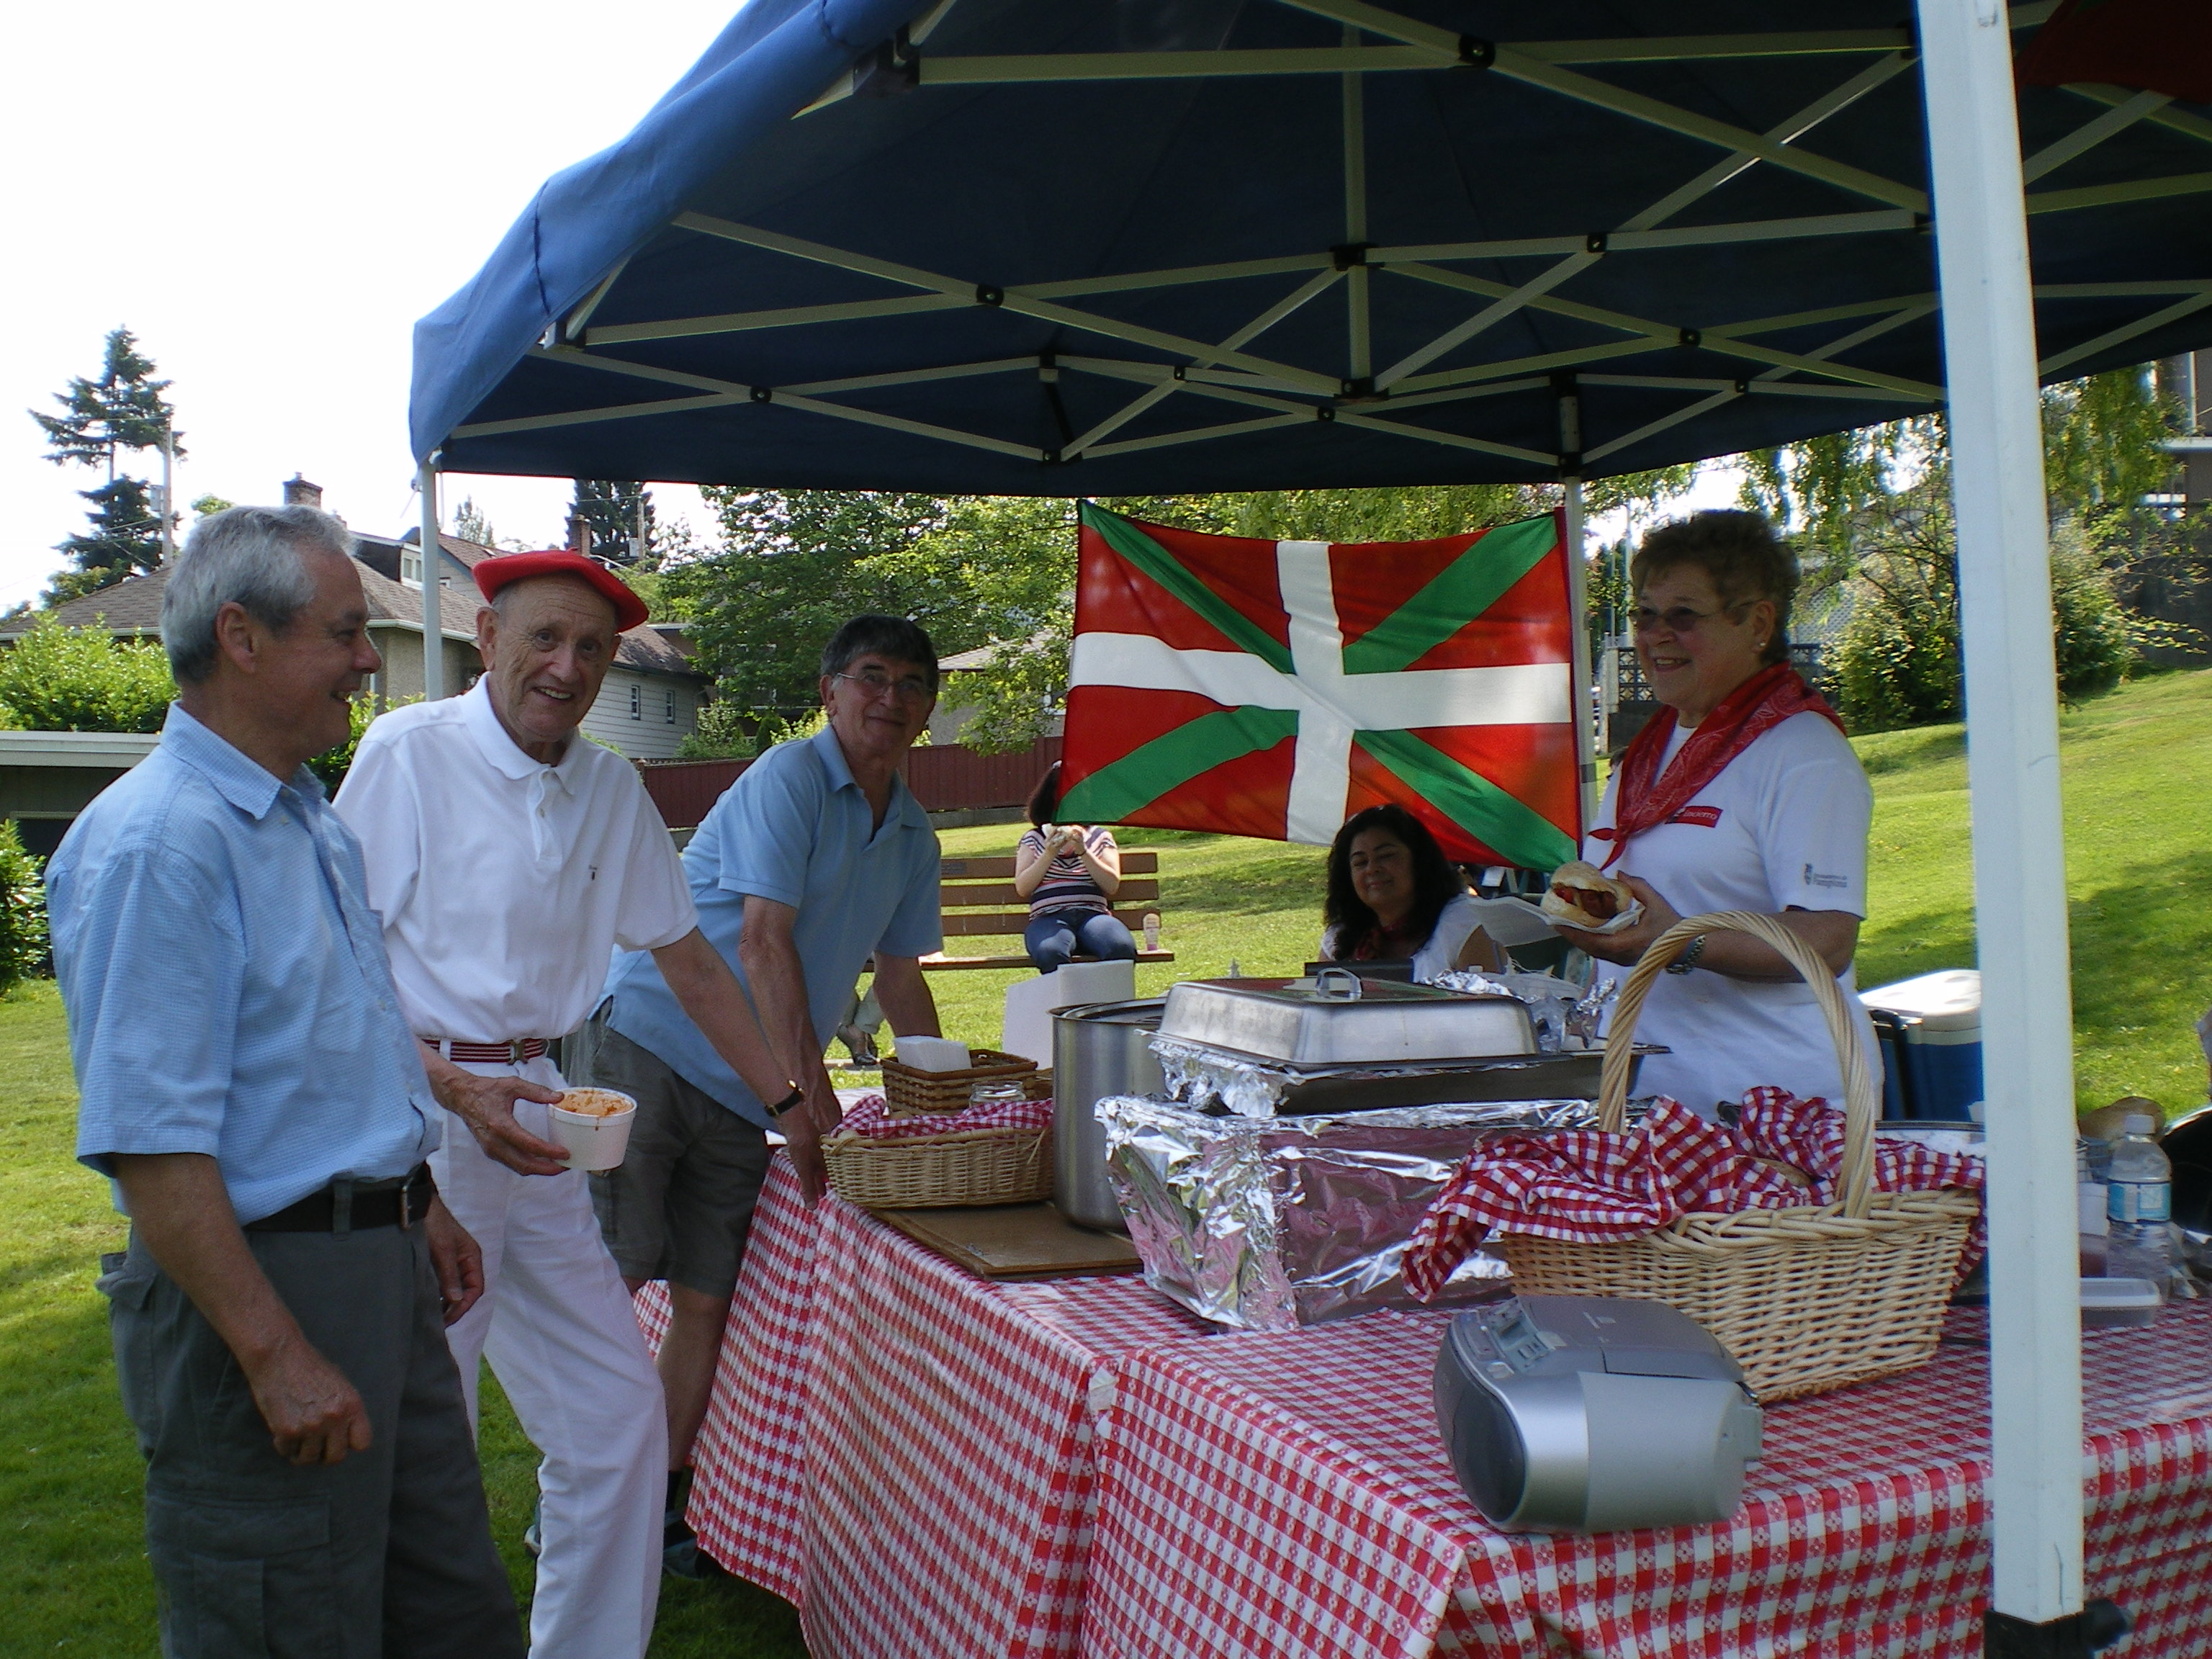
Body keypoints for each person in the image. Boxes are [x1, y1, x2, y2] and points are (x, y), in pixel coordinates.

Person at [50, 505, 524, 1659]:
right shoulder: (165, 844)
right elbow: (154, 1143)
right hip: (263, 1288)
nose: (371, 660)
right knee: (285, 1621)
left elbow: (333, 1047)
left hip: (378, 1267)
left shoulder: (305, 818)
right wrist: (273, 1354)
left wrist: (421, 1203)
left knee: (449, 1612)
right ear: (241, 637)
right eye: (347, 631)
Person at [333, 550, 803, 1655]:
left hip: (542, 1110)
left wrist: (789, 1098)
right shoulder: (410, 754)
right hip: (420, 1116)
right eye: (544, 638)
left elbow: (688, 959)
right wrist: (449, 1090)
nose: (568, 666)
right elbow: (337, 964)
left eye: (591, 649)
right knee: (425, 1421)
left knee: (616, 1419)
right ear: (486, 639)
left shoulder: (608, 785)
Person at [583, 614, 947, 1575]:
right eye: (871, 677)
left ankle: (660, 1507)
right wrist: (806, 1103)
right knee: (609, 1287)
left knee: (704, 1302)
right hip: (651, 1048)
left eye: (913, 684)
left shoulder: (910, 831)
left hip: (751, 1092)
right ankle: (577, 1508)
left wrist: (950, 1101)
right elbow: (761, 942)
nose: (891, 699)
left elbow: (901, 981)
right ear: (829, 692)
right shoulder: (790, 779)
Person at [1552, 509, 1874, 1115]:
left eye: (1684, 616)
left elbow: (1830, 942)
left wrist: (1682, 944)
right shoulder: (1647, 752)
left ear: (1756, 623)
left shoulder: (1803, 754)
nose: (1655, 635)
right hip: (1654, 1100)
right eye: (1645, 613)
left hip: (1772, 1109)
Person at [1318, 804, 1507, 979]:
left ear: (1419, 861)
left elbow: (1486, 1009)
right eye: (1360, 863)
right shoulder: (1339, 939)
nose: (1372, 869)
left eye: (1386, 856)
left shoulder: (1464, 923)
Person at [1015, 761, 1138, 973]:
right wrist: (1049, 852)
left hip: (1093, 916)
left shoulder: (1100, 836)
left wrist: (1083, 850)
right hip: (1049, 918)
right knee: (1050, 952)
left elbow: (1111, 885)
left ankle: (1109, 1003)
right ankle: (1066, 1005)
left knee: (1120, 947)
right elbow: (1023, 888)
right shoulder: (1034, 838)